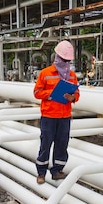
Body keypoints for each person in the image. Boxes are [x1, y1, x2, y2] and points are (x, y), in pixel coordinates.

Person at [33, 40, 80, 184]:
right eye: (64, 60)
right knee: (45, 143)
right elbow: (37, 92)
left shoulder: (72, 75)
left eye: (68, 60)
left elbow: (77, 93)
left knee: (62, 144)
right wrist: (51, 93)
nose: (65, 63)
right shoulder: (45, 73)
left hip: (64, 116)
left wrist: (72, 97)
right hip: (49, 116)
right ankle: (41, 172)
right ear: (57, 57)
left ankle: (57, 171)